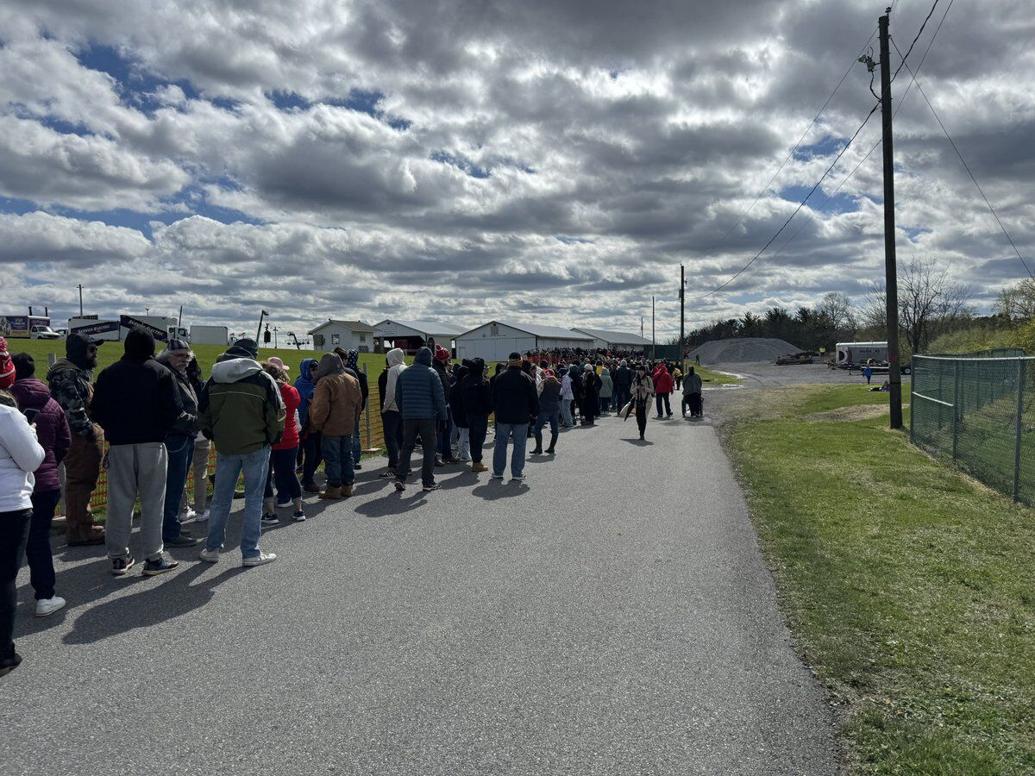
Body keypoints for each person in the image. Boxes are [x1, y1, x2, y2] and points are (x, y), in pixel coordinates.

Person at [91, 328, 183, 577]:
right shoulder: (161, 373)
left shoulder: (109, 374)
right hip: (152, 444)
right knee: (153, 502)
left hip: (119, 445)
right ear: (151, 348)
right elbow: (174, 410)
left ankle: (119, 557)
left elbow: (96, 410)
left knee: (119, 502)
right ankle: (153, 557)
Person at [198, 338, 284, 567]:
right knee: (254, 499)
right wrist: (272, 437)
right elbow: (277, 412)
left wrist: (214, 434)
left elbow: (202, 411)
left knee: (220, 500)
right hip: (257, 445)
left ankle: (212, 548)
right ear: (252, 356)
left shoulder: (214, 379)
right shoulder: (262, 378)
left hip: (226, 446)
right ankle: (251, 552)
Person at [9, 354, 69, 617]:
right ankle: (45, 595)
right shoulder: (52, 404)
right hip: (45, 483)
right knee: (38, 540)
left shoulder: (7, 406)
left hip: (10, 487)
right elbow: (64, 442)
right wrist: (50, 465)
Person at [0, 388, 45, 676]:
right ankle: (3, 653)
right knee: (3, 578)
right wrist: (31, 433)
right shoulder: (6, 414)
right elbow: (32, 459)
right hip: (7, 504)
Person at [46, 333, 105, 546]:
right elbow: (73, 410)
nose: (95, 352)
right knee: (79, 482)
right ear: (79, 352)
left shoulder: (77, 373)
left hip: (83, 435)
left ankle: (83, 523)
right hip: (79, 438)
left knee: (84, 482)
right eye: (91, 349)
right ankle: (80, 530)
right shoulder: (66, 375)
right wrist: (89, 431)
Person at [155, 339, 201, 548]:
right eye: (178, 355)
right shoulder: (167, 375)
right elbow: (173, 411)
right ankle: (170, 532)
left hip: (185, 434)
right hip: (176, 435)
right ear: (167, 356)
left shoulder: (182, 375)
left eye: (186, 355)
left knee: (177, 484)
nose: (184, 359)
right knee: (173, 485)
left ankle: (171, 525)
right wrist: (197, 423)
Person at [309, 354, 362, 500]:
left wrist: (318, 423)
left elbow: (321, 408)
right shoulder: (352, 380)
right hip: (348, 425)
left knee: (332, 458)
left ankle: (334, 487)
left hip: (331, 427)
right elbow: (358, 405)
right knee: (347, 456)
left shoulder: (325, 382)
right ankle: (348, 486)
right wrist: (354, 420)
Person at [394, 346, 447, 492]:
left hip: (409, 416)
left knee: (407, 447)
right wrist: (443, 416)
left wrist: (404, 411)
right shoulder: (432, 373)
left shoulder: (404, 373)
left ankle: (400, 478)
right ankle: (428, 482)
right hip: (428, 417)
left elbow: (398, 396)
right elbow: (439, 397)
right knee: (429, 448)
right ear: (429, 359)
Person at [262, 362, 305, 521]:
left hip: (270, 438)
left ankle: (271, 512)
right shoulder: (291, 390)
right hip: (291, 436)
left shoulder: (266, 390)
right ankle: (299, 509)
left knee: (266, 475)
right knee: (289, 473)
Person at [491, 352, 538, 482]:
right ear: (520, 362)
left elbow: (493, 397)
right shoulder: (527, 378)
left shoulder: (499, 377)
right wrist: (534, 413)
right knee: (519, 445)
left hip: (503, 416)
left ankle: (498, 472)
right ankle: (517, 473)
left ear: (509, 362)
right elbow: (534, 399)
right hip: (521, 417)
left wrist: (495, 410)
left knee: (501, 444)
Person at [180, 356, 211, 524]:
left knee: (181, 474)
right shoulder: (202, 385)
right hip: (201, 434)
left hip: (184, 433)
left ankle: (183, 509)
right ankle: (200, 509)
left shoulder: (177, 384)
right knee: (201, 473)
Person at [334, 349, 368, 470]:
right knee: (356, 434)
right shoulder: (360, 373)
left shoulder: (340, 372)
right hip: (355, 409)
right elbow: (364, 393)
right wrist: (360, 408)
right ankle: (356, 460)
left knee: (343, 435)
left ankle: (344, 459)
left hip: (342, 410)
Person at [294, 358, 322, 493]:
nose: (315, 372)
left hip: (316, 424)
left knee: (320, 452)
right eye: (313, 369)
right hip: (304, 425)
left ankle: (306, 476)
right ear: (306, 369)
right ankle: (308, 480)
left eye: (317, 369)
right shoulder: (300, 383)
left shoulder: (316, 383)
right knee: (311, 452)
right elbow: (310, 400)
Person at [379, 348, 406, 478]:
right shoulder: (406, 368)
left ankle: (393, 466)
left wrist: (385, 407)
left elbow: (390, 392)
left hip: (393, 408)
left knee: (390, 437)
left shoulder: (393, 370)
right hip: (405, 408)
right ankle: (405, 465)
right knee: (402, 437)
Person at [463, 358, 491, 473]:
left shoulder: (465, 380)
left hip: (469, 413)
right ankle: (477, 462)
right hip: (481, 414)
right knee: (479, 438)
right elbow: (488, 400)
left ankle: (476, 459)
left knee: (473, 436)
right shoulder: (483, 381)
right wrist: (488, 411)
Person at [432, 346, 456, 465]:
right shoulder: (437, 370)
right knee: (440, 432)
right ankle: (438, 455)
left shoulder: (442, 369)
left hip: (446, 405)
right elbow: (443, 387)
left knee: (447, 430)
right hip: (439, 407)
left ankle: (447, 454)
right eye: (448, 358)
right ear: (444, 359)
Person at [532, 368, 561, 456]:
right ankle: (551, 447)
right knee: (555, 429)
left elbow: (538, 393)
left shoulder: (543, 382)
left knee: (537, 428)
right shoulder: (558, 384)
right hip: (555, 408)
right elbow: (560, 394)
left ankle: (539, 447)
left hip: (544, 407)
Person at [450, 363, 471, 462]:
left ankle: (461, 452)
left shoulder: (454, 386)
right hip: (464, 414)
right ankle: (464, 454)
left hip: (456, 413)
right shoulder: (465, 386)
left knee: (461, 433)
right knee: (465, 435)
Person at [630, 364, 655, 440]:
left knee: (643, 417)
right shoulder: (635, 380)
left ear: (645, 371)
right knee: (638, 418)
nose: (641, 372)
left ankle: (642, 434)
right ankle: (640, 429)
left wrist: (645, 388)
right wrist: (637, 388)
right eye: (639, 370)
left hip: (647, 401)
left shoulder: (648, 379)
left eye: (642, 370)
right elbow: (631, 391)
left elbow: (652, 390)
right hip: (637, 401)